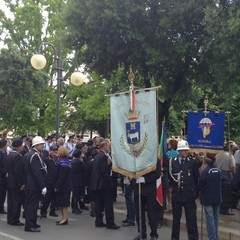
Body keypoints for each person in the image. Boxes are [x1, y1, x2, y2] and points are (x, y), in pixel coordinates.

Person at [169, 140, 199, 240]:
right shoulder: (172, 161)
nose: (186, 152)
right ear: (179, 151)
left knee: (191, 220)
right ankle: (174, 238)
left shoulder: (193, 162)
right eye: (183, 150)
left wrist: (196, 194)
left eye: (186, 150)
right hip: (177, 195)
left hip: (189, 195)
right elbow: (170, 178)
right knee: (176, 220)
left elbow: (196, 178)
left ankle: (193, 238)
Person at [91, 139, 120, 230]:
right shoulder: (103, 157)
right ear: (104, 147)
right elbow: (104, 172)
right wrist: (110, 183)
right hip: (104, 184)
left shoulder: (97, 156)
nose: (110, 148)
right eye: (108, 146)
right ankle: (110, 223)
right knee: (108, 204)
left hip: (98, 184)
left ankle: (98, 221)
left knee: (99, 203)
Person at [24, 136, 47, 232]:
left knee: (33, 205)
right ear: (36, 145)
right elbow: (36, 172)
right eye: (41, 144)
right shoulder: (34, 156)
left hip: (31, 183)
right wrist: (42, 186)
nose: (43, 146)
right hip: (34, 184)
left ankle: (33, 222)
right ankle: (29, 225)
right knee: (32, 206)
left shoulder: (31, 154)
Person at [133, 161, 161, 240]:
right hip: (138, 190)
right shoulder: (136, 157)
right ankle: (142, 233)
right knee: (139, 214)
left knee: (152, 214)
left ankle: (154, 234)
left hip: (149, 190)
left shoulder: (154, 157)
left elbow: (157, 173)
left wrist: (144, 179)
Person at [198, 155, 222, 240]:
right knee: (215, 218)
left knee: (210, 219)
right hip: (217, 197)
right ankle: (215, 236)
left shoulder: (205, 172)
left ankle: (212, 238)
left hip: (208, 198)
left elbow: (199, 185)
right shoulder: (218, 171)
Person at [6, 139, 25, 226]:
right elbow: (18, 171)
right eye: (22, 145)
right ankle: (14, 219)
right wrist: (21, 183)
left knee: (11, 201)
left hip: (10, 181)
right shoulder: (17, 156)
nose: (23, 147)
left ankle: (10, 218)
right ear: (18, 147)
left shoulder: (10, 154)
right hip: (15, 182)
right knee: (16, 202)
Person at [215, 145, 235, 215]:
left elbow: (215, 165)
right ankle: (224, 209)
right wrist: (233, 175)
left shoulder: (217, 155)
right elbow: (232, 167)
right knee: (226, 193)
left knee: (219, 192)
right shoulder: (230, 156)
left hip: (218, 174)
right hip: (226, 174)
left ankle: (219, 207)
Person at [54, 146, 72, 225]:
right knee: (62, 203)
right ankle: (63, 218)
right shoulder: (65, 162)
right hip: (66, 185)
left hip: (64, 186)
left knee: (64, 204)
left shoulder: (63, 164)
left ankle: (64, 218)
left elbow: (61, 178)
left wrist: (57, 186)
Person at [40, 144, 58, 218]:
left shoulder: (57, 159)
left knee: (55, 197)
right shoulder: (47, 159)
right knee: (47, 198)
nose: (55, 151)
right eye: (54, 150)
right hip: (48, 180)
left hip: (55, 180)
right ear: (50, 150)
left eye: (56, 150)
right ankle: (43, 211)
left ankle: (52, 210)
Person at [0, 139, 8, 214]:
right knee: (1, 194)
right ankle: (1, 208)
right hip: (2, 177)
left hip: (4, 177)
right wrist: (5, 171)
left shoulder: (4, 152)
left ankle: (1, 207)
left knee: (3, 194)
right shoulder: (1, 153)